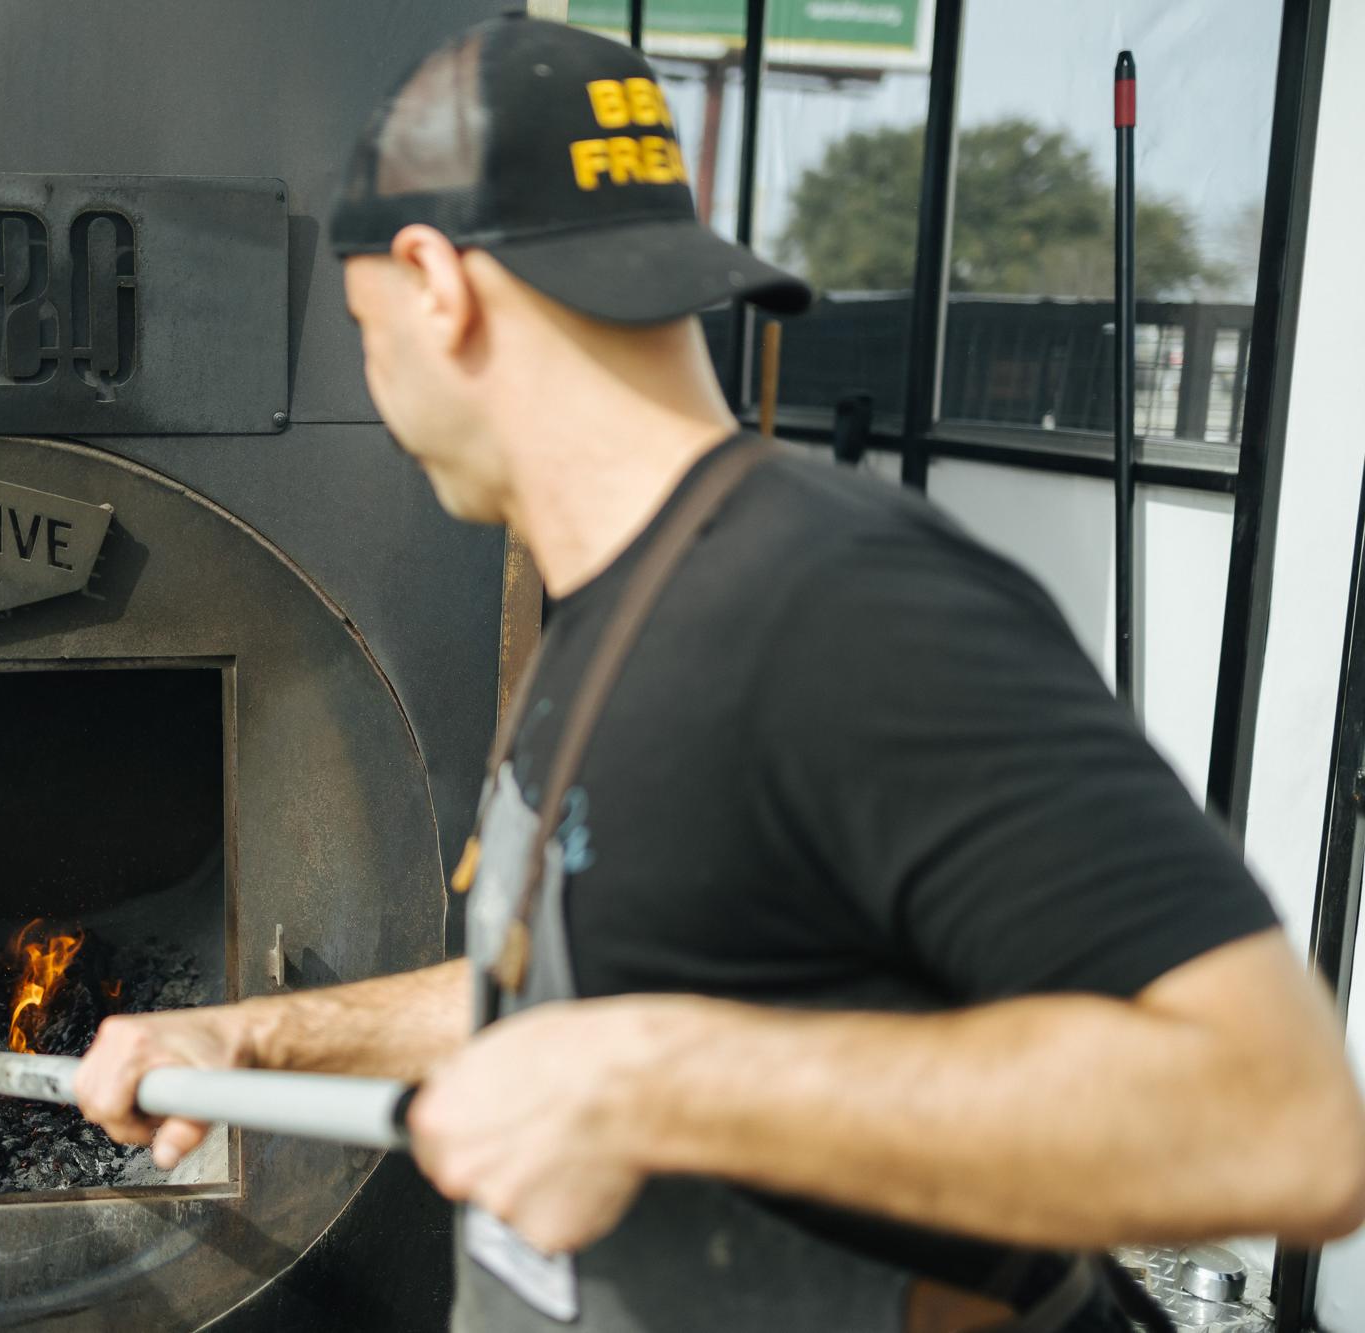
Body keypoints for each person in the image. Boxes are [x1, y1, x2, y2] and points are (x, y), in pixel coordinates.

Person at [75, 15, 1365, 1331]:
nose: (379, 383)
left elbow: (1285, 1120)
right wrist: (251, 1038)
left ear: (436, 282)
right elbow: (583, 996)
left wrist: (654, 1080)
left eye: (363, 326)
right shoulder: (617, 604)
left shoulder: (837, 596)